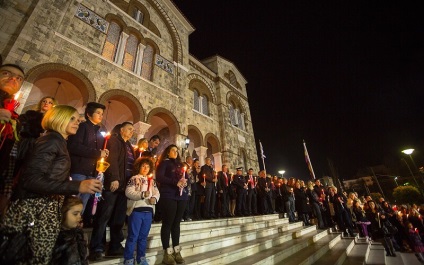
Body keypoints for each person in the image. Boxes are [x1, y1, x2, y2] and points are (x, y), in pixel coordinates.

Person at [1, 105, 102, 264]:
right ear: (58, 119)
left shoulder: (58, 141)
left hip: (44, 209)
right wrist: (76, 186)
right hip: (35, 211)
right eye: (72, 119)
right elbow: (30, 179)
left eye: (77, 119)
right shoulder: (51, 141)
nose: (77, 123)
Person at [89, 122, 135, 260]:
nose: (132, 131)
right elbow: (112, 159)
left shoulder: (129, 146)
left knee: (119, 218)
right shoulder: (115, 141)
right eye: (129, 129)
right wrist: (114, 178)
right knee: (104, 216)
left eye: (133, 130)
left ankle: (115, 246)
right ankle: (97, 246)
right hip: (114, 184)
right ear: (121, 130)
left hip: (124, 187)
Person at [67, 102, 108, 220]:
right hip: (79, 171)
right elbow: (75, 146)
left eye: (102, 113)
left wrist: (103, 153)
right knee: (73, 202)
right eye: (98, 113)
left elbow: (97, 152)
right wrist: (98, 152)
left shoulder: (99, 133)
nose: (101, 116)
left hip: (91, 173)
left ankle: (76, 225)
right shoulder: (82, 127)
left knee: (82, 204)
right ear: (89, 114)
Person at [155, 144, 188, 265]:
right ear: (168, 152)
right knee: (168, 223)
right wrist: (175, 182)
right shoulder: (164, 163)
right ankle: (167, 253)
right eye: (173, 150)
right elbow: (159, 177)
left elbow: (185, 177)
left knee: (176, 224)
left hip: (181, 196)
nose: (175, 152)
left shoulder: (180, 165)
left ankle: (176, 250)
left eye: (176, 150)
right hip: (168, 195)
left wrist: (184, 182)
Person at [124, 157, 160, 265]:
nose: (145, 168)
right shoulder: (134, 179)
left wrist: (155, 198)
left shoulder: (151, 181)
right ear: (138, 167)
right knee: (133, 236)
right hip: (136, 211)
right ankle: (129, 258)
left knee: (143, 237)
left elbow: (156, 192)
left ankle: (141, 258)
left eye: (148, 166)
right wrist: (141, 195)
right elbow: (128, 192)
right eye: (143, 166)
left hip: (148, 211)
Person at [52, 196, 88, 265]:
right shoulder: (56, 239)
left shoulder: (78, 235)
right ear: (62, 213)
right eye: (75, 214)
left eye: (80, 213)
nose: (79, 217)